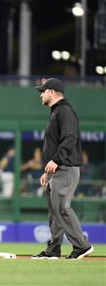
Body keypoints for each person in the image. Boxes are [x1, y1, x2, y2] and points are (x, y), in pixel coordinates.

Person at [32, 78, 94, 260]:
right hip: (57, 168)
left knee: (62, 208)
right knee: (55, 210)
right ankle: (53, 249)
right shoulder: (57, 111)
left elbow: (69, 138)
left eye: (42, 91)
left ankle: (82, 246)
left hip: (66, 168)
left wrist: (56, 161)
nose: (41, 95)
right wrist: (47, 171)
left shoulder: (65, 111)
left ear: (51, 91)